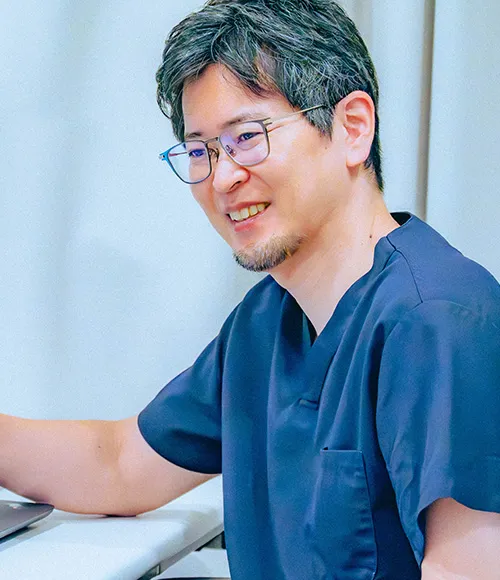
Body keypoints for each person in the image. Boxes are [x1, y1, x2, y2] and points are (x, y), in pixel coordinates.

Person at [1, 0, 499, 578]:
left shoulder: (439, 320)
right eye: (201, 151)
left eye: (247, 137)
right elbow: (119, 465)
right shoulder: (265, 325)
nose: (222, 178)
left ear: (352, 128)